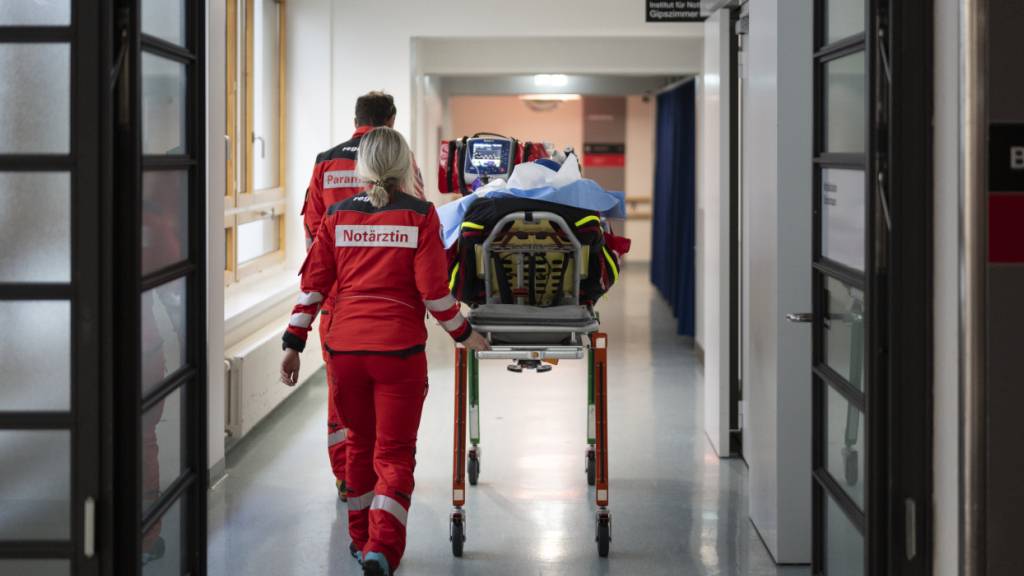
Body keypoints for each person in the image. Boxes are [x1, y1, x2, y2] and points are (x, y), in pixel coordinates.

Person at [281, 127, 489, 576]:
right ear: (404, 166)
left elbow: (314, 286)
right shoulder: (419, 216)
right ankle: (382, 549)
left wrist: (293, 343)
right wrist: (463, 333)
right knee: (393, 455)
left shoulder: (337, 217)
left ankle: (359, 540)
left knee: (359, 446)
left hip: (345, 351)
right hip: (399, 352)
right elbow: (435, 294)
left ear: (363, 168)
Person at [301, 91, 425, 501]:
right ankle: (384, 477)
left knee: (343, 394)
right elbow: (418, 219)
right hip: (393, 302)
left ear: (356, 118)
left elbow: (312, 234)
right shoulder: (401, 161)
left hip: (338, 299)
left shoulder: (325, 162)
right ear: (390, 121)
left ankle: (348, 478)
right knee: (391, 399)